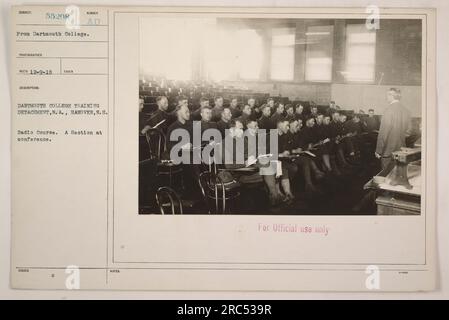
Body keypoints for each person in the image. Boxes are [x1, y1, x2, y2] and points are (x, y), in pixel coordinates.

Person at [375, 88, 411, 170]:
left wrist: (378, 150)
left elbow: (383, 132)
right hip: (402, 149)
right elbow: (409, 131)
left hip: (388, 151)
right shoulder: (406, 111)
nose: (386, 97)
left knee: (386, 175)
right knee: (398, 174)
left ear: (392, 96)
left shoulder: (388, 110)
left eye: (388, 94)